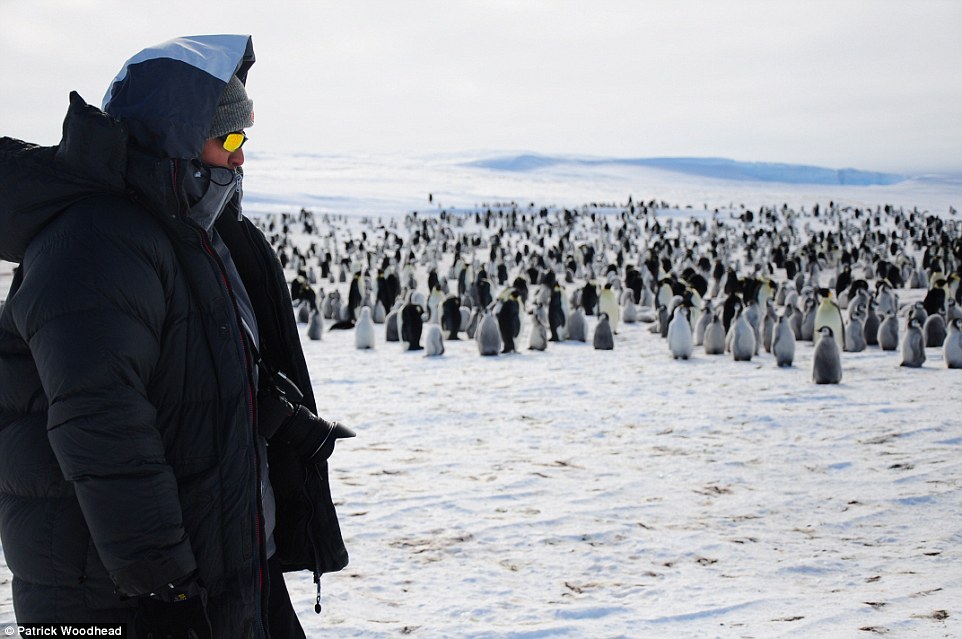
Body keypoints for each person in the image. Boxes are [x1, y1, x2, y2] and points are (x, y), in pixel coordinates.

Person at [0, 35, 353, 637]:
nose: (241, 158)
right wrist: (163, 584)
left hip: (221, 563)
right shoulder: (97, 243)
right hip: (118, 598)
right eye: (231, 139)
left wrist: (270, 416)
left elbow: (186, 370)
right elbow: (101, 426)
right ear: (181, 136)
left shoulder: (188, 232)